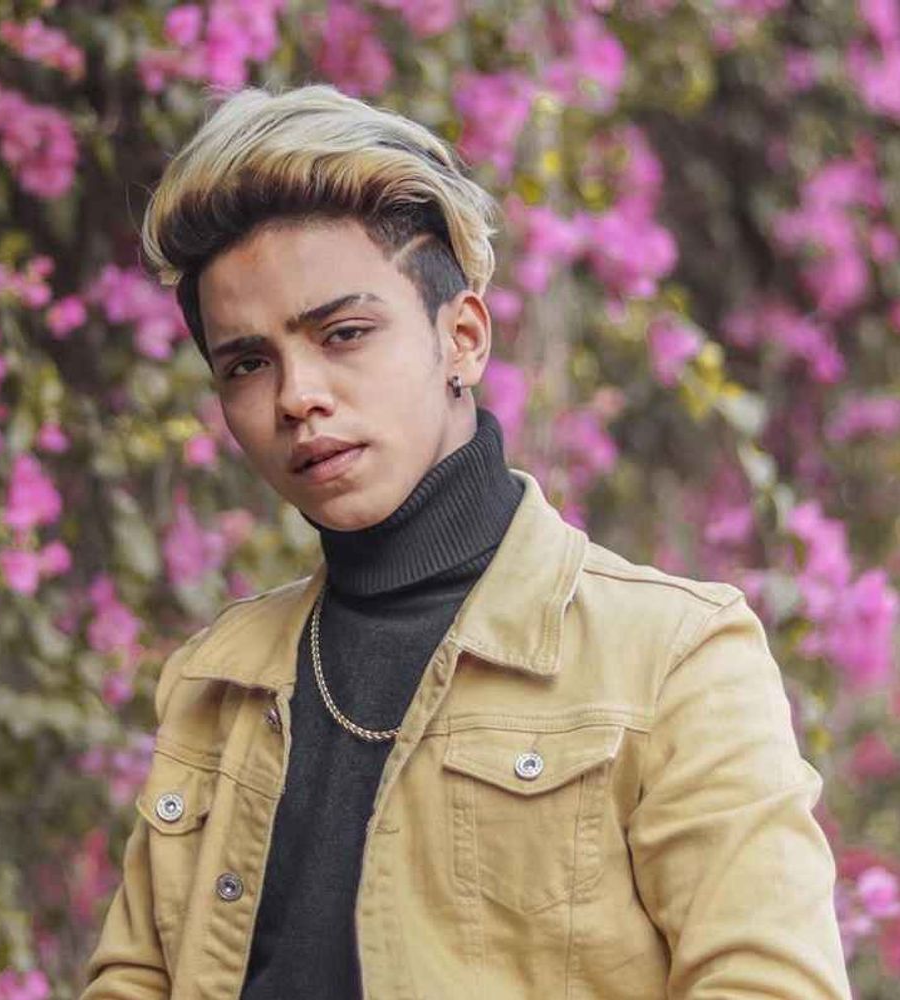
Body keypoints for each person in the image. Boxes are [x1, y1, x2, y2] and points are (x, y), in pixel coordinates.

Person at [80, 83, 851, 1000]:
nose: (297, 396)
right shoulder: (217, 683)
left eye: (344, 333)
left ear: (464, 338)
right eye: (247, 363)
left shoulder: (673, 658)